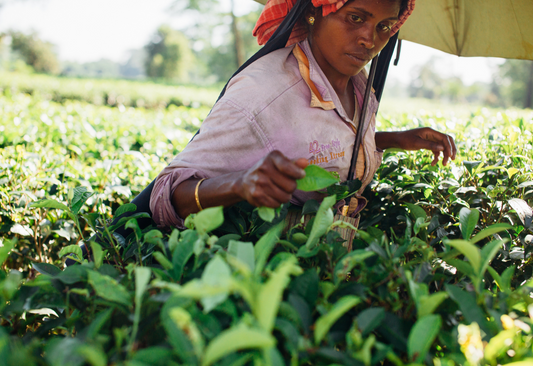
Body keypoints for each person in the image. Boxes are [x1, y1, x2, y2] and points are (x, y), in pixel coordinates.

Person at [149, 0, 456, 229]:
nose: (370, 39)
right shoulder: (263, 93)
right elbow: (167, 194)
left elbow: (319, 142)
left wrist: (394, 140)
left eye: (384, 26)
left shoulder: (358, 83)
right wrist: (239, 184)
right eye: (355, 18)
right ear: (315, 11)